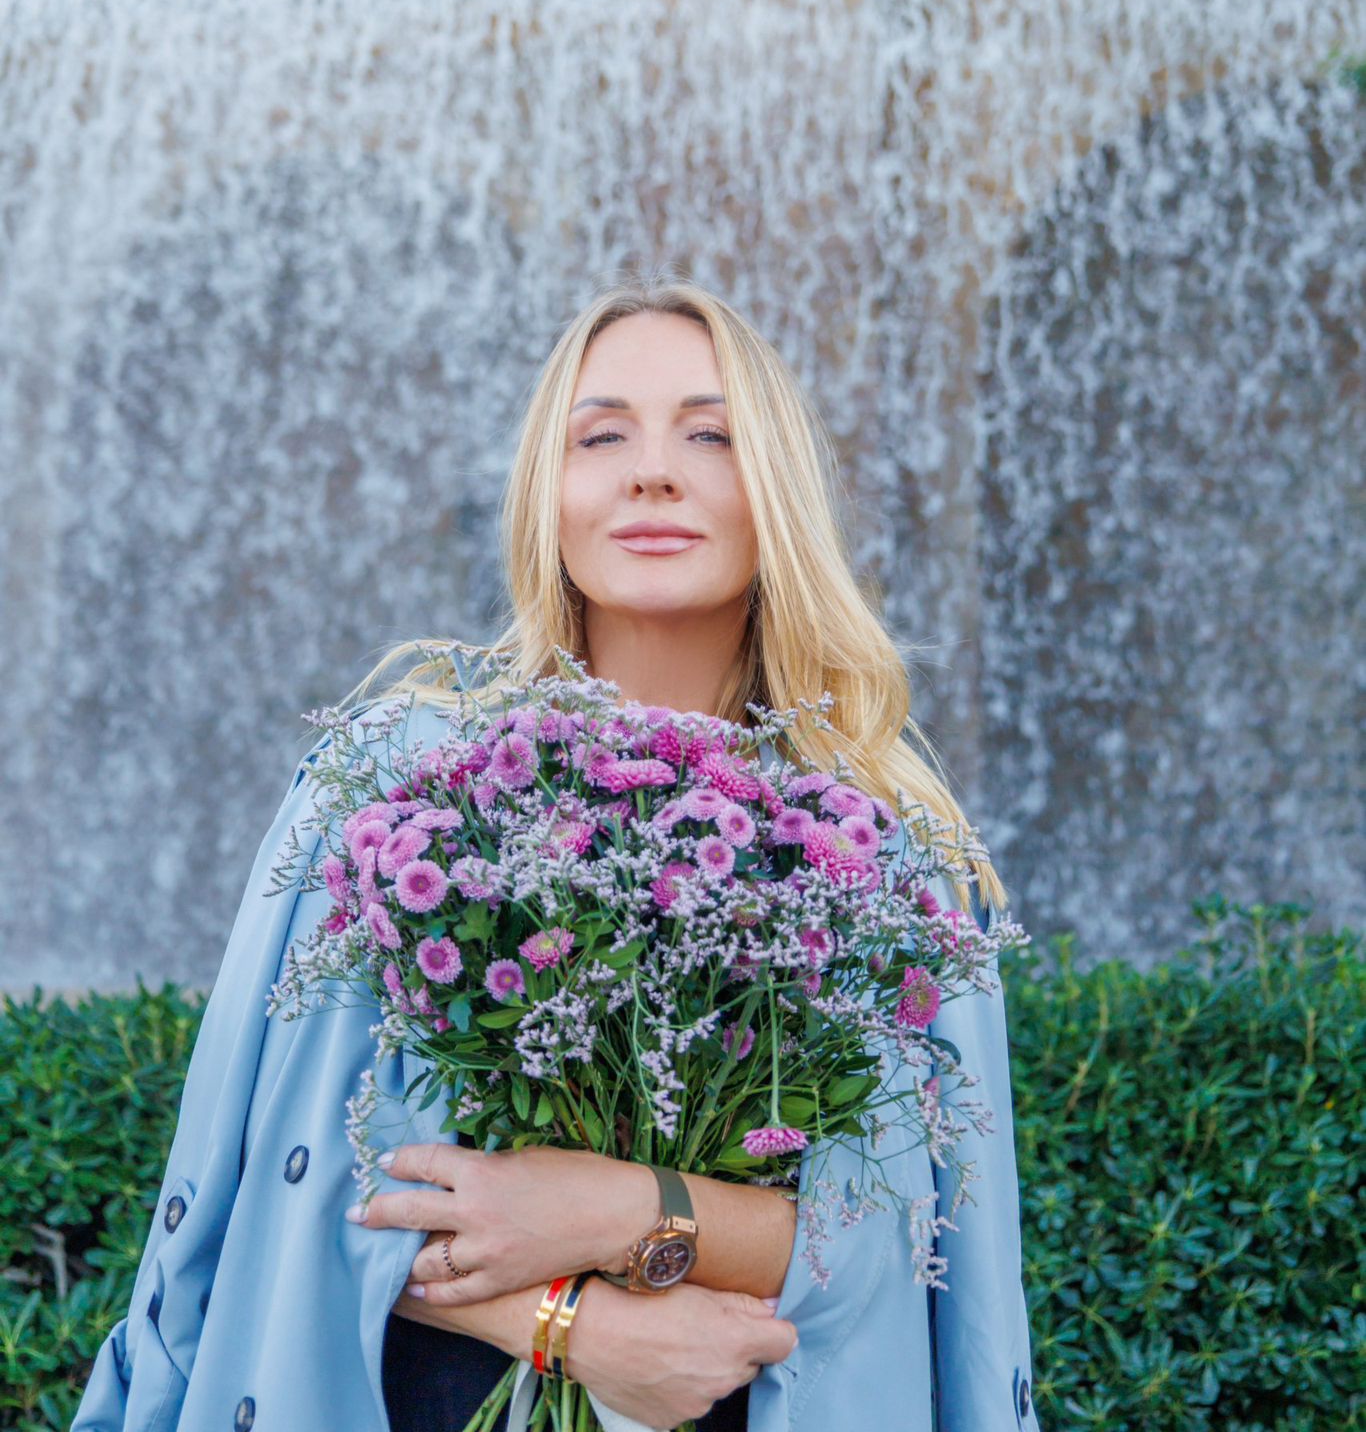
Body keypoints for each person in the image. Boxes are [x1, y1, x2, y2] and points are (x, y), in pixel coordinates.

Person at [72, 276, 1041, 1432]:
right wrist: (568, 1324)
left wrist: (619, 1207)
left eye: (709, 433)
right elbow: (286, 1177)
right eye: (601, 434)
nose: (652, 471)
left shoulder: (875, 846)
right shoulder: (394, 782)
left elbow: (894, 1242)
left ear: (775, 485)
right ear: (548, 487)